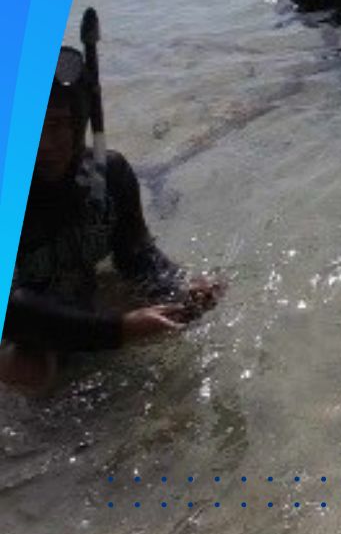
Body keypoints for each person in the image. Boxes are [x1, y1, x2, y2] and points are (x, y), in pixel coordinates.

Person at [2, 46, 222, 392]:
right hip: (24, 325)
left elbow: (137, 257)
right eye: (30, 128)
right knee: (27, 368)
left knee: (173, 310)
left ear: (81, 122)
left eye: (58, 125)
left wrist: (181, 285)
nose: (44, 144)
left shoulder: (110, 176)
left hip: (77, 302)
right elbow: (11, 310)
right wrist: (119, 329)